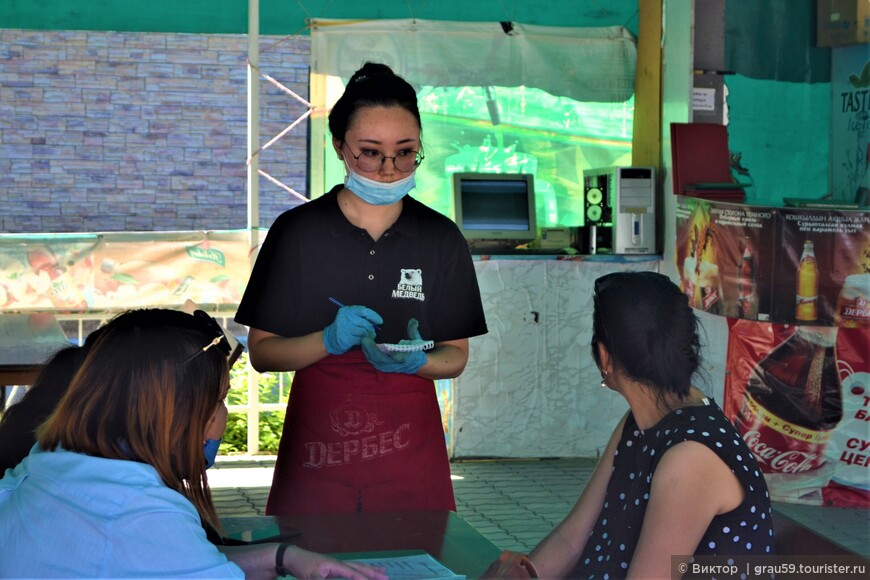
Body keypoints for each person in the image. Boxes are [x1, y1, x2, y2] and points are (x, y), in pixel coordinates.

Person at [235, 61, 488, 515]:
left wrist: (419, 362)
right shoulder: (298, 232)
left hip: (410, 449)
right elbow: (262, 353)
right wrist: (326, 340)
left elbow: (456, 356)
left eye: (406, 151)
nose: (390, 169)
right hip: (320, 448)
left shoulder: (440, 237)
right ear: (339, 147)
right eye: (370, 152)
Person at [0, 308, 386, 580]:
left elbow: (179, 558)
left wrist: (281, 557)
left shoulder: (48, 465)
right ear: (177, 412)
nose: (224, 415)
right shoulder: (142, 511)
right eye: (219, 399)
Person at [486, 271, 775, 579]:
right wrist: (525, 574)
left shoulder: (690, 458)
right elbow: (572, 540)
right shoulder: (642, 423)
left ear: (603, 356)